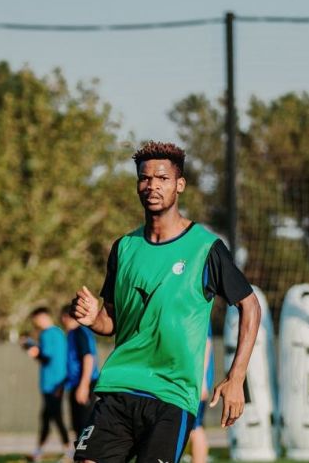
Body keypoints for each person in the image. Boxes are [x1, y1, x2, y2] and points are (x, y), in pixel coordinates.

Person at [72, 141, 261, 463]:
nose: (152, 186)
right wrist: (93, 319)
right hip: (120, 385)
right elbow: (111, 321)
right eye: (145, 179)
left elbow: (250, 306)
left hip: (172, 396)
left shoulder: (205, 248)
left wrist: (236, 377)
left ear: (179, 184)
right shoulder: (124, 248)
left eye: (162, 178)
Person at [24, 306, 71, 461]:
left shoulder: (48, 334)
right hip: (54, 383)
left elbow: (46, 357)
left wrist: (34, 352)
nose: (35, 324)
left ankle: (68, 451)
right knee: (47, 417)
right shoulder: (59, 333)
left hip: (53, 384)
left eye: (35, 320)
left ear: (42, 317)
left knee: (55, 417)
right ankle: (39, 451)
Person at [60, 304, 100, 441]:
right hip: (76, 383)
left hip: (84, 382)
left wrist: (84, 385)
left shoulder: (80, 332)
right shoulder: (72, 334)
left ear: (65, 317)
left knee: (84, 423)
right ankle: (79, 452)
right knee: (77, 424)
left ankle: (86, 452)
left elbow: (88, 357)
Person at [190, 324, 215, 463]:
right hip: (193, 380)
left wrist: (203, 380)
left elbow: (206, 342)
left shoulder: (200, 313)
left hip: (196, 381)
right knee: (194, 427)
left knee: (195, 427)